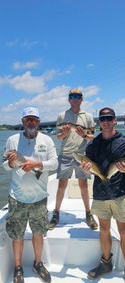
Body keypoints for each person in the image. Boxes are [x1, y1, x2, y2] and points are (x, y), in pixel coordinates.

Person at [80, 107, 125, 283]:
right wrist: (86, 169)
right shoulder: (93, 144)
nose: (105, 121)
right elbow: (91, 169)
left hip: (120, 193)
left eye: (109, 118)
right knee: (104, 230)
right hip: (100, 193)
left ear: (115, 120)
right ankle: (106, 263)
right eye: (102, 118)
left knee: (124, 231)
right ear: (99, 122)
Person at [2, 107, 58, 283]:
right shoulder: (12, 140)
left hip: (39, 198)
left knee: (38, 233)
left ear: (39, 122)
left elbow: (55, 163)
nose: (31, 122)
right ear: (23, 122)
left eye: (34, 119)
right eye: (28, 119)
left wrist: (38, 164)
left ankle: (38, 263)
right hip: (17, 197)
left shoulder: (47, 140)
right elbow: (3, 166)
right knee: (17, 235)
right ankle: (18, 267)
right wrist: (10, 164)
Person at [48, 88, 98, 230]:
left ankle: (88, 213)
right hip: (65, 155)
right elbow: (58, 136)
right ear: (69, 99)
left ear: (81, 99)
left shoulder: (88, 116)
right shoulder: (62, 115)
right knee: (61, 186)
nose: (75, 98)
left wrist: (84, 136)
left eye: (78, 96)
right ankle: (56, 213)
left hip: (82, 156)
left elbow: (92, 136)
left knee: (83, 186)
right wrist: (64, 133)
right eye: (72, 96)